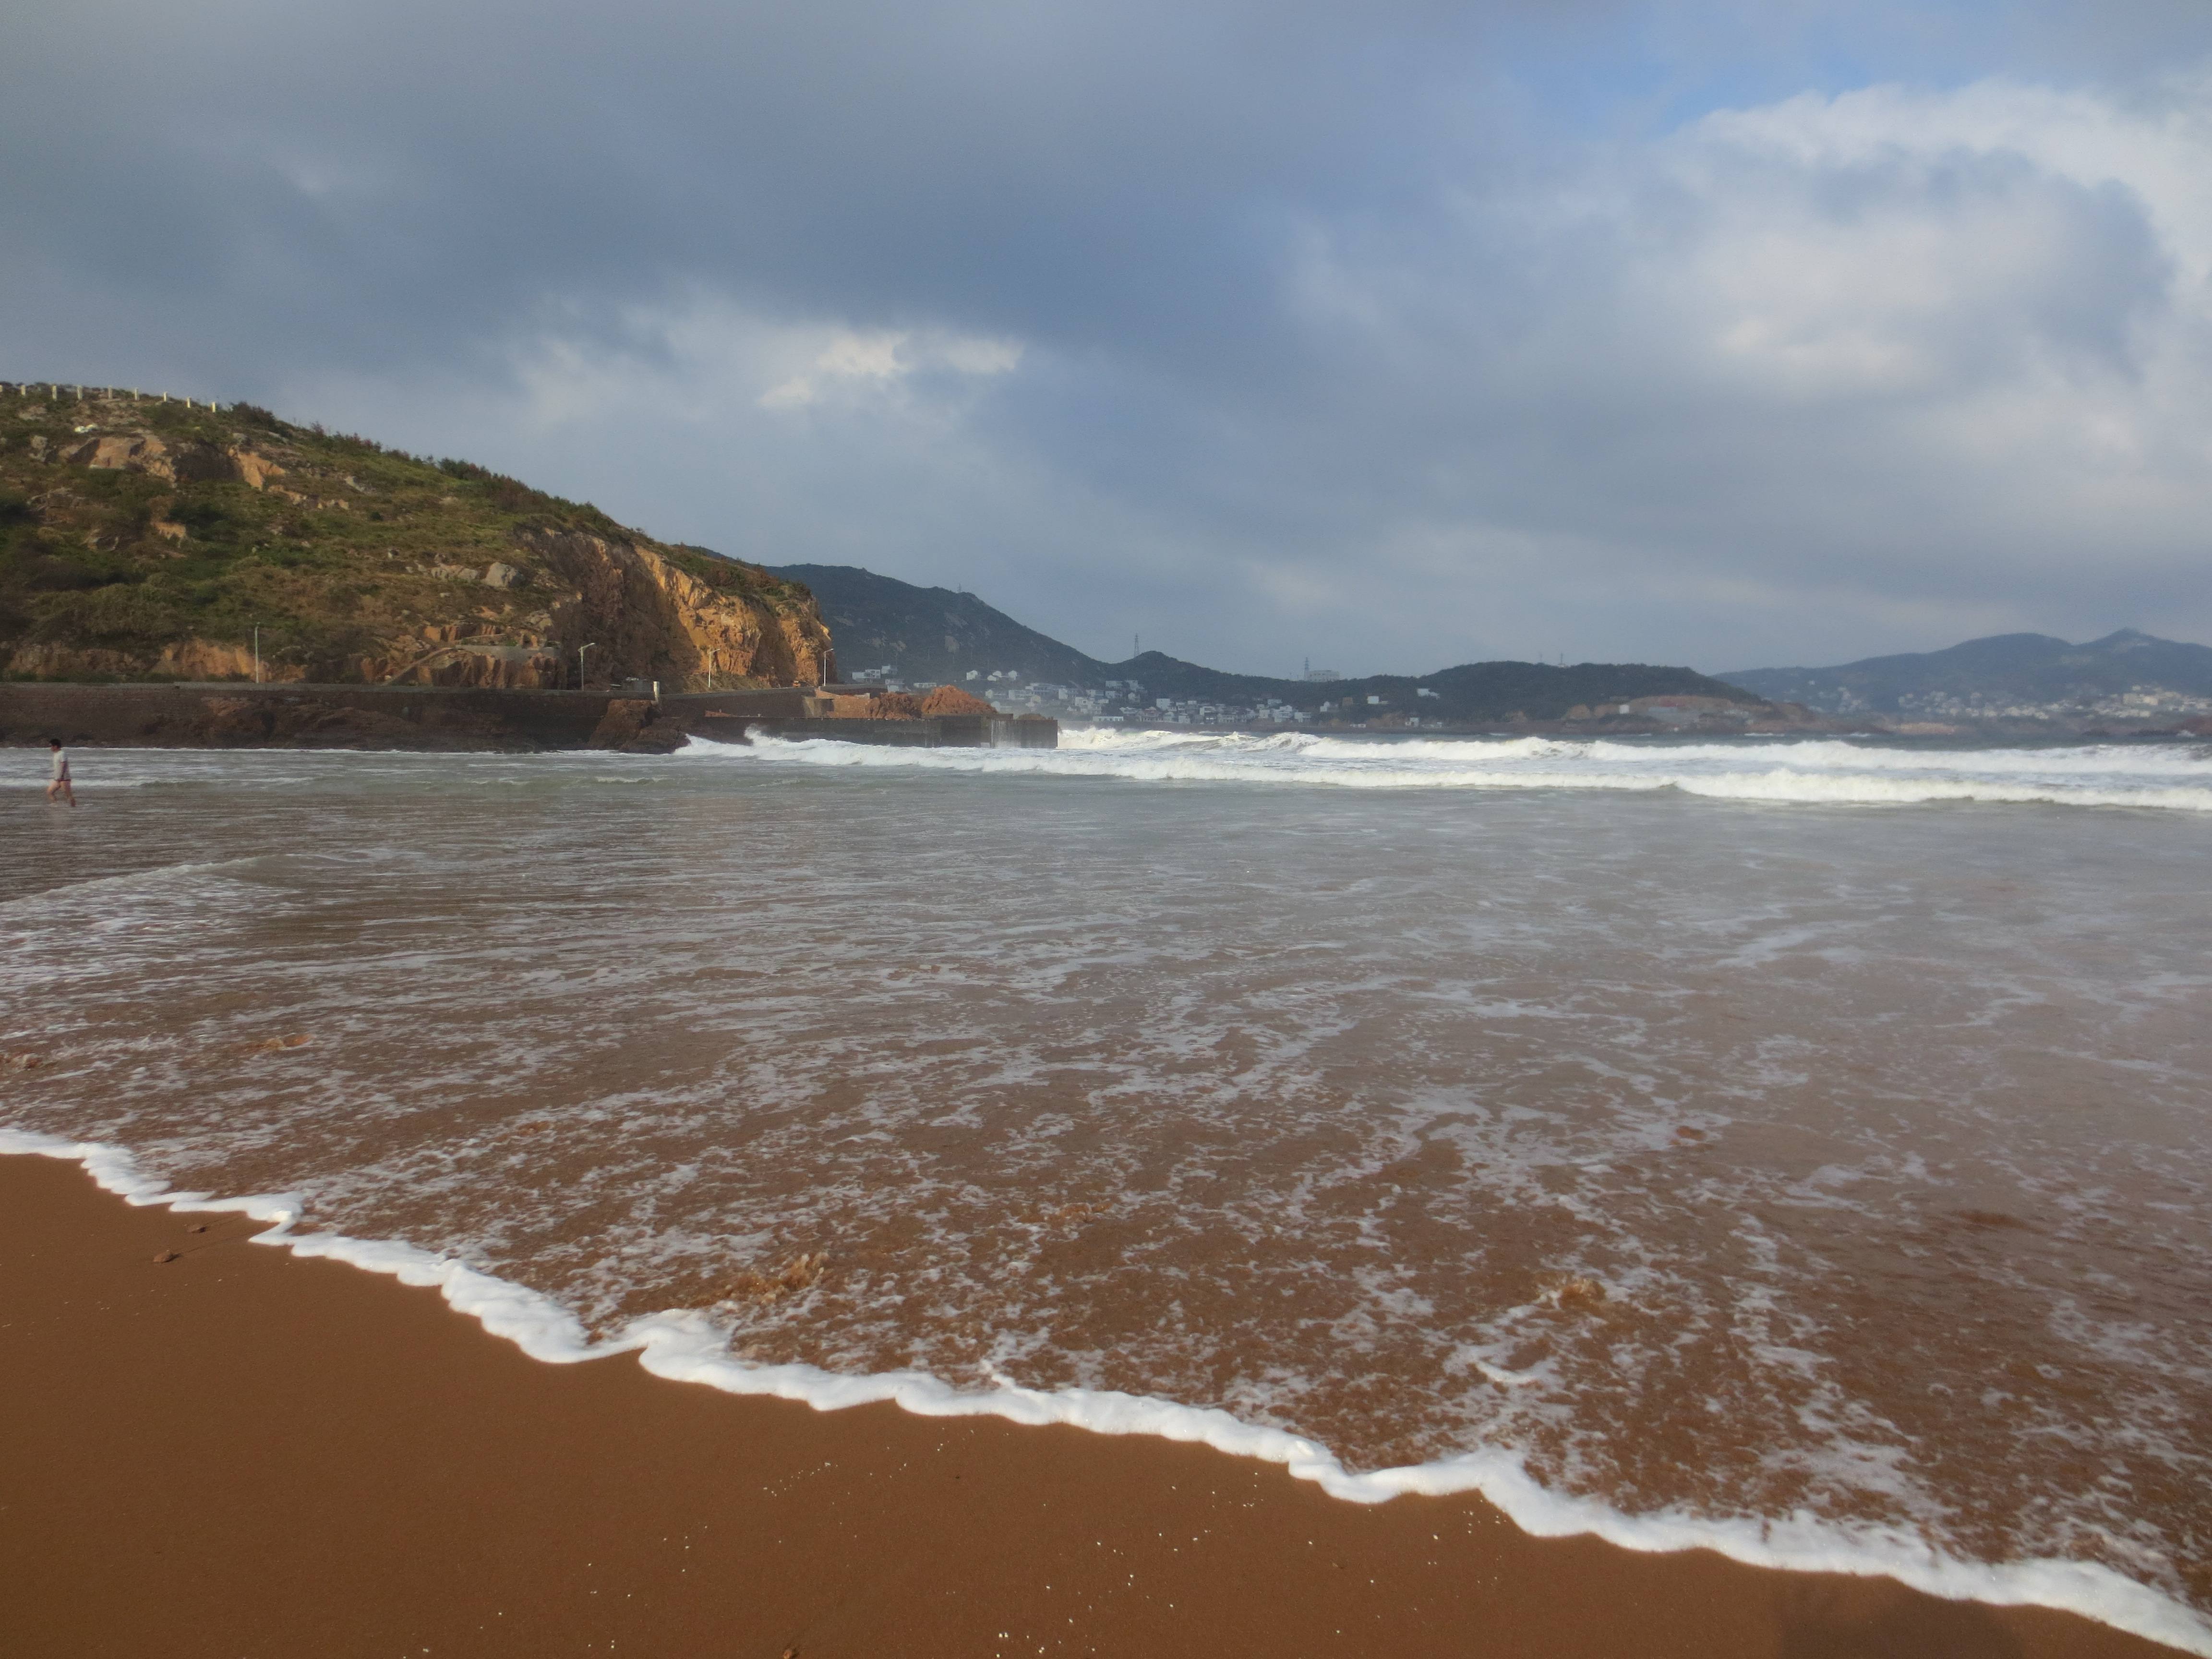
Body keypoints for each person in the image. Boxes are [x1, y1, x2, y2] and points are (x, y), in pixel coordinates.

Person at [45, 737, 75, 807]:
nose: (50, 748)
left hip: (64, 778)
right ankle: (56, 805)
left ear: (55, 746)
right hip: (57, 778)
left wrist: (61, 776)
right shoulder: (56, 754)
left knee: (68, 795)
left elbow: (64, 765)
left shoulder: (62, 753)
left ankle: (74, 809)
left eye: (51, 746)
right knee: (50, 792)